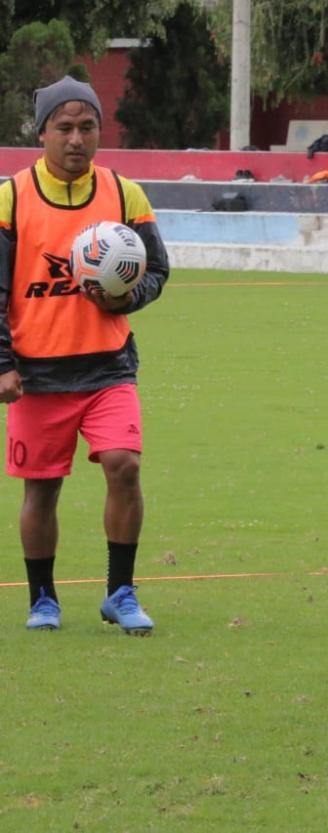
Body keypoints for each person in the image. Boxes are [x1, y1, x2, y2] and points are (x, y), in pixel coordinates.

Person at [0, 76, 171, 634]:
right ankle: (43, 600)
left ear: (100, 130)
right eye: (64, 127)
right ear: (42, 132)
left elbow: (158, 271)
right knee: (42, 489)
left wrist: (127, 295)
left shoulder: (125, 194)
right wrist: (3, 361)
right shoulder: (11, 196)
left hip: (108, 367)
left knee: (125, 467)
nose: (76, 139)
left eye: (88, 127)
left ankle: (120, 592)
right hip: (36, 375)